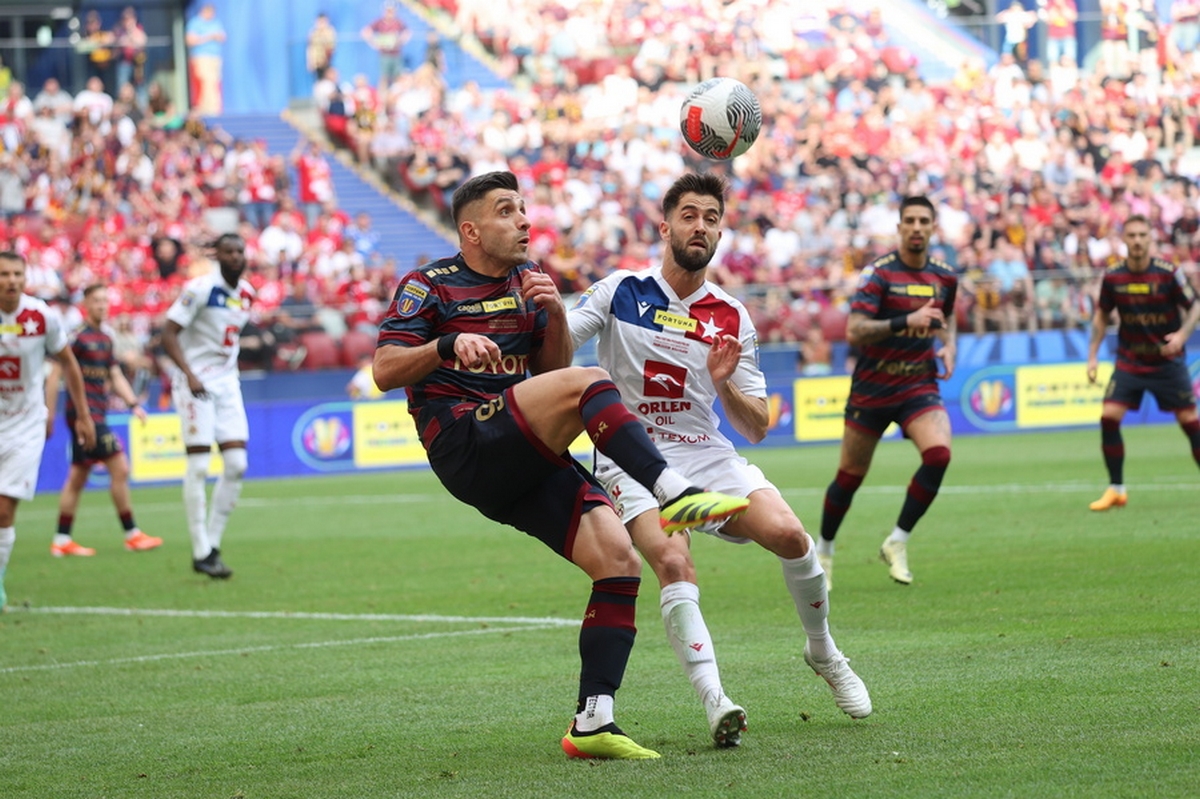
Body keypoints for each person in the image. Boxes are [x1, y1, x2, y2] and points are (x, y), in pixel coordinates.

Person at [372, 171, 750, 760]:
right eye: (506, 211)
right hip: (464, 440)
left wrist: (552, 315)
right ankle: (673, 489)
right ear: (471, 231)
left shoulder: (530, 283)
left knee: (618, 560)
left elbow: (551, 374)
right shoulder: (429, 285)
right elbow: (384, 369)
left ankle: (593, 722)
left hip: (520, 450)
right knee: (591, 381)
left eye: (523, 208)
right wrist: (446, 345)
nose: (524, 220)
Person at [567, 173, 871, 748]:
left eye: (711, 218)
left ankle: (824, 651)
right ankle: (716, 701)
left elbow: (756, 426)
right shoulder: (619, 291)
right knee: (673, 562)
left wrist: (723, 382)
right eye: (688, 215)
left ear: (720, 232)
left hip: (705, 455)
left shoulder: (732, 316)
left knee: (791, 536)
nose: (700, 226)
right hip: (632, 457)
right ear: (665, 227)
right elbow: (558, 345)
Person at [817, 196, 958, 587]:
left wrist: (948, 345)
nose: (916, 227)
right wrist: (906, 320)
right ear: (899, 227)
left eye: (923, 221)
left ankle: (897, 541)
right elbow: (855, 331)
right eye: (909, 220)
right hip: (873, 389)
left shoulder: (945, 277)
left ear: (933, 227)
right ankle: (824, 551)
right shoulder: (879, 275)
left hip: (918, 384)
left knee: (939, 455)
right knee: (850, 477)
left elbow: (947, 318)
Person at [0, 252, 96, 610]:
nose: (11, 280)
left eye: (17, 274)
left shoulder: (41, 316)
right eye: (4, 274)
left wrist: (83, 415)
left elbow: (68, 363)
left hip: (25, 425)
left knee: (3, 511)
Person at [1085, 215, 1200, 511]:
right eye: (1132, 235)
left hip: (1167, 362)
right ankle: (1116, 489)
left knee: (1190, 422)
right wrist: (1092, 355)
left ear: (1150, 238)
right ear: (1124, 239)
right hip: (1130, 360)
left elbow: (1195, 305)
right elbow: (1102, 315)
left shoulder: (1168, 273)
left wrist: (1182, 335)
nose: (1137, 241)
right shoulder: (1113, 276)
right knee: (1109, 417)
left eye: (1142, 235)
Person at [161, 234, 254, 579]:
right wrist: (189, 374)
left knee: (237, 464)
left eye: (240, 251)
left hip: (228, 384)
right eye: (229, 252)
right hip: (195, 383)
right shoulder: (199, 288)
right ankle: (200, 547)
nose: (236, 256)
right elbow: (167, 333)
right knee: (199, 465)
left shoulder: (247, 293)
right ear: (217, 255)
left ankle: (212, 545)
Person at [47, 285, 162, 557]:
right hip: (84, 415)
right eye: (96, 301)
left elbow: (114, 374)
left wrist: (133, 403)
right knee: (120, 468)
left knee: (78, 475)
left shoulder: (106, 337)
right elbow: (55, 373)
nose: (102, 305)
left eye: (104, 301)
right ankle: (132, 534)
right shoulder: (76, 337)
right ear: (85, 304)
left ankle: (62, 539)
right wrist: (49, 412)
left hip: (98, 413)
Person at [185, 4, 226, 116]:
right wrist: (209, 37)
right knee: (206, 82)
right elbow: (190, 40)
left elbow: (223, 37)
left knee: (214, 82)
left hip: (215, 57)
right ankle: (206, 109)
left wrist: (216, 36)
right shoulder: (195, 23)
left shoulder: (215, 23)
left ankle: (214, 109)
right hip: (201, 56)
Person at [360, 2, 409, 91]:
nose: (390, 13)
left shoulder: (398, 22)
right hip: (384, 54)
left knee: (397, 77)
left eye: (392, 11)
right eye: (388, 11)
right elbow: (365, 31)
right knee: (384, 77)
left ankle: (394, 94)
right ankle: (382, 96)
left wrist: (400, 41)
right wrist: (374, 42)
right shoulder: (379, 22)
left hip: (396, 54)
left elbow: (407, 32)